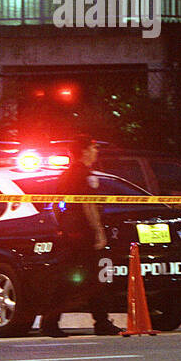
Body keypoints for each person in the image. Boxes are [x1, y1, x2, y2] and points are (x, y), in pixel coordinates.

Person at [40, 135, 122, 337]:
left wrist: (64, 228)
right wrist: (98, 231)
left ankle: (53, 322)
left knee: (71, 278)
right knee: (92, 278)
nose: (96, 152)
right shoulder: (85, 175)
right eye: (93, 148)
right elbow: (88, 204)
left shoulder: (66, 175)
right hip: (83, 235)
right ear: (84, 151)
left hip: (70, 234)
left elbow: (57, 207)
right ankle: (98, 322)